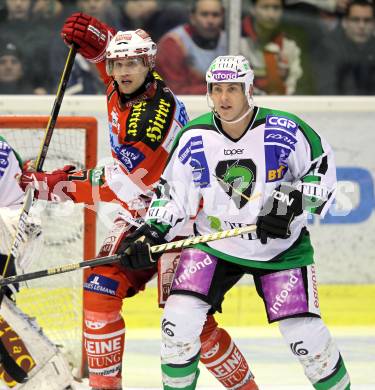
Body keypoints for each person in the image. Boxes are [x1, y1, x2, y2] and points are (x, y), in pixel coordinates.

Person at [20, 13, 258, 390]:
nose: (123, 70)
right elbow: (113, 51)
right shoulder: (133, 80)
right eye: (117, 63)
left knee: (191, 323)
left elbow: (116, 186)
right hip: (143, 208)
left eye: (132, 63)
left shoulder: (147, 125)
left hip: (180, 217)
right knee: (99, 290)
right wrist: (97, 38)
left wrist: (59, 183)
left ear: (148, 64)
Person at [118, 55, 351, 389]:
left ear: (249, 90)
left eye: (232, 89)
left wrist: (292, 203)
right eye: (216, 89)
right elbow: (172, 196)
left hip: (279, 250)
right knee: (177, 324)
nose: (224, 98)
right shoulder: (194, 136)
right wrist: (150, 231)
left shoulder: (284, 130)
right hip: (213, 244)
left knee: (309, 342)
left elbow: (322, 174)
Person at [0, 136, 74, 389]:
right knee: (4, 312)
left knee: (3, 314)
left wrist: (35, 179)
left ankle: (45, 378)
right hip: (13, 227)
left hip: (11, 227)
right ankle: (50, 377)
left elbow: (23, 179)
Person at [156, 0, 227, 94]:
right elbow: (175, 90)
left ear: (223, 17)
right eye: (204, 14)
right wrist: (219, 89)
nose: (210, 21)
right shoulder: (173, 43)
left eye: (215, 15)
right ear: (192, 17)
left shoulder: (230, 42)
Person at [240, 0, 303, 95]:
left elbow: (296, 83)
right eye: (265, 7)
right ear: (252, 9)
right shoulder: (238, 40)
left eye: (276, 8)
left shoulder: (290, 44)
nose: (271, 14)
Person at [315, 0, 375, 95]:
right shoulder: (329, 46)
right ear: (345, 22)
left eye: (367, 20)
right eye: (355, 20)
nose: (362, 26)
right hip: (338, 107)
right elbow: (327, 90)